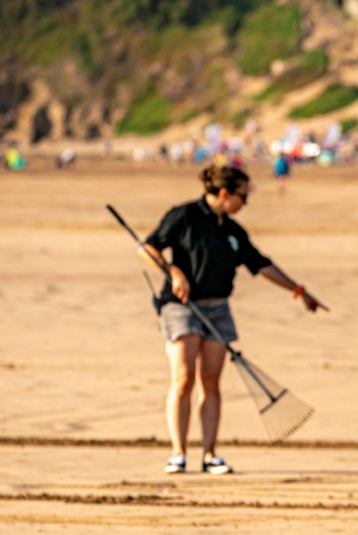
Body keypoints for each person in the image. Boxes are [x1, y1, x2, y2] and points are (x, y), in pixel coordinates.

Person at [140, 164, 327, 475]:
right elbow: (148, 249)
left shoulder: (233, 231)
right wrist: (174, 272)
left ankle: (210, 454)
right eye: (243, 195)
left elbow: (261, 264)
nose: (246, 202)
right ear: (224, 193)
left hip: (218, 308)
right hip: (181, 306)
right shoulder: (183, 216)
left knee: (210, 381)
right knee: (183, 378)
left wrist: (299, 290)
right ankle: (178, 453)